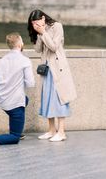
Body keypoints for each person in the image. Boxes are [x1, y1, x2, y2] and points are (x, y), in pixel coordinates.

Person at [28, 9, 76, 142]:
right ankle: (51, 130)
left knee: (59, 99)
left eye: (37, 22)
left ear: (43, 18)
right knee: (47, 99)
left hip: (58, 69)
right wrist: (39, 34)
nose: (36, 25)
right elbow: (37, 49)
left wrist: (43, 32)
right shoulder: (39, 31)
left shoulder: (57, 27)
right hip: (46, 70)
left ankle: (61, 132)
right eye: (33, 24)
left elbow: (54, 47)